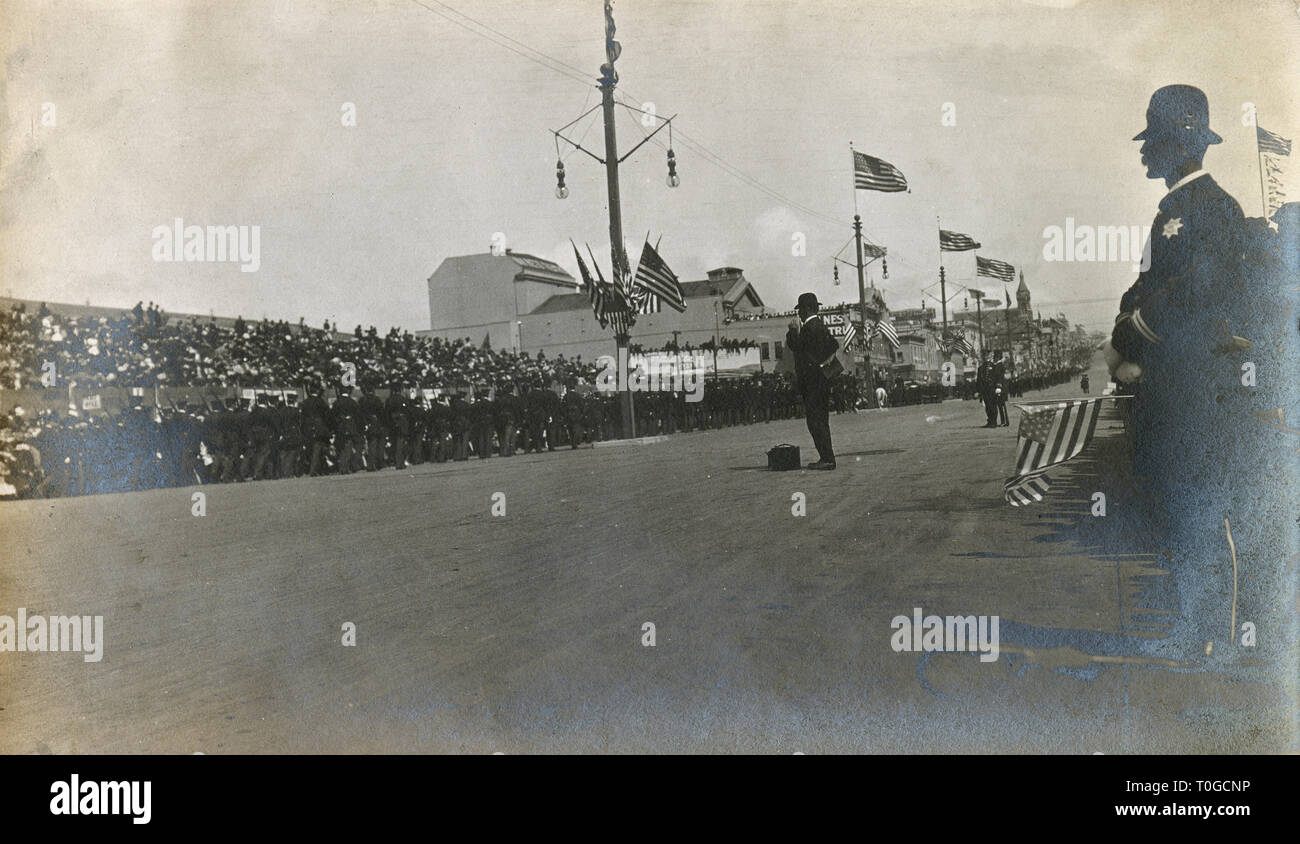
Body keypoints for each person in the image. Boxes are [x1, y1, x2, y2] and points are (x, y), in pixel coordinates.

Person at [784, 292, 838, 469]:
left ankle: (827, 458)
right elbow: (833, 346)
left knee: (815, 421)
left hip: (812, 383)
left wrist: (792, 332)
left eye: (800, 310)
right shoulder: (820, 326)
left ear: (807, 309)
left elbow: (797, 348)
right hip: (821, 382)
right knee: (821, 420)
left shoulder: (810, 327)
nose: (799, 314)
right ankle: (827, 457)